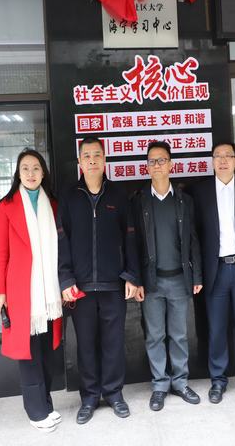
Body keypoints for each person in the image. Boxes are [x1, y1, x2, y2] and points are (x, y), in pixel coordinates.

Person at [57, 137, 139, 424]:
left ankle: (114, 393)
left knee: (114, 343)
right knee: (86, 345)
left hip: (113, 284)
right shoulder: (70, 196)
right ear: (80, 161)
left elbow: (130, 237)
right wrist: (65, 278)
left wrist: (131, 275)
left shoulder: (118, 195)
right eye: (87, 156)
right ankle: (90, 397)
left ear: (105, 160)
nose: (92, 160)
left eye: (97, 155)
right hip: (80, 287)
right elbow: (62, 240)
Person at [0, 148, 63, 433]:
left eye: (35, 168)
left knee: (45, 352)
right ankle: (36, 412)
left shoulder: (53, 204)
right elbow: (1, 253)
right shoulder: (7, 206)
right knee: (29, 353)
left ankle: (46, 404)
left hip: (49, 292)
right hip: (22, 293)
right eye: (25, 168)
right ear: (18, 174)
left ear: (43, 172)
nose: (31, 173)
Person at [131, 141, 203, 412]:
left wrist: (197, 275)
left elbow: (193, 239)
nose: (157, 165)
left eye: (162, 160)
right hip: (152, 282)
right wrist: (137, 280)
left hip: (179, 280)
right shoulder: (139, 201)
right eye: (152, 161)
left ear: (171, 164)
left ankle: (181, 382)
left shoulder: (185, 201)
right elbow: (133, 244)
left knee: (179, 335)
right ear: (147, 167)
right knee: (155, 336)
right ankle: (160, 385)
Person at [191, 142, 235, 405]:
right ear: (212, 161)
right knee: (217, 330)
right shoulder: (201, 192)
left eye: (227, 156)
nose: (222, 160)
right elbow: (196, 234)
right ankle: (218, 380)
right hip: (215, 271)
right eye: (217, 156)